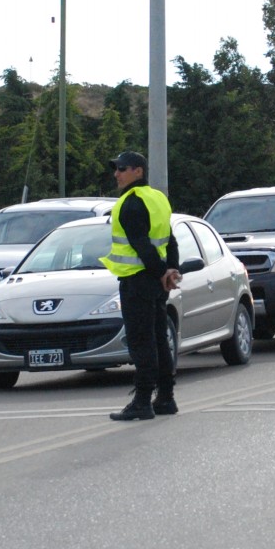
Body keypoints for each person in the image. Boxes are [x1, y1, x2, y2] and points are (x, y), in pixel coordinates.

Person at [101, 151, 181, 421]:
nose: (117, 174)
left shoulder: (131, 203)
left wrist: (162, 272)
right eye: (116, 169)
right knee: (159, 339)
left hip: (138, 280)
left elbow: (141, 245)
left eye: (122, 169)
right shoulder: (157, 198)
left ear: (138, 171)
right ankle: (166, 398)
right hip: (155, 282)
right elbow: (170, 241)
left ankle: (143, 401)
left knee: (141, 342)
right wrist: (171, 271)